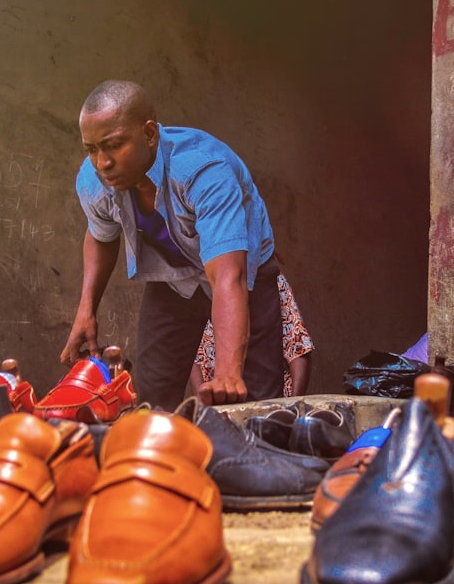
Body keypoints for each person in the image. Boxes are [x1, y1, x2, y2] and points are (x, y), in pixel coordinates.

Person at [60, 80, 285, 409]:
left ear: (149, 134)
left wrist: (226, 374)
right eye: (91, 149)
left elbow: (227, 277)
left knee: (258, 402)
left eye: (113, 145)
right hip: (173, 278)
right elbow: (101, 234)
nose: (101, 163)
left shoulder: (203, 171)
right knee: (154, 392)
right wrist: (86, 310)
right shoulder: (93, 180)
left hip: (243, 276)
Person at [191, 272, 314, 397]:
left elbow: (298, 346)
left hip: (270, 398)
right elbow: (193, 356)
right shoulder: (194, 285)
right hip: (219, 401)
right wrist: (201, 408)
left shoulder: (269, 280)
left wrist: (294, 404)